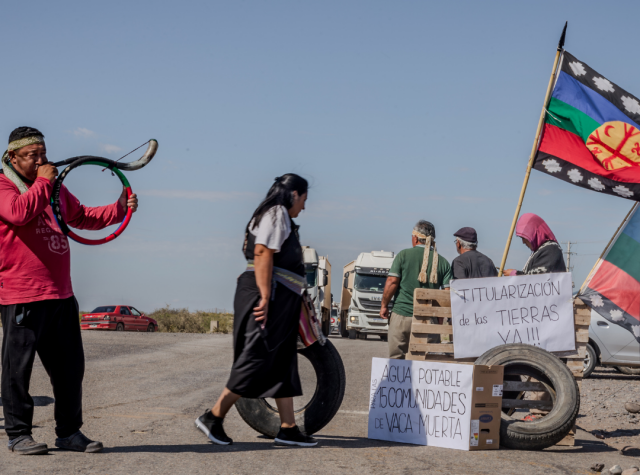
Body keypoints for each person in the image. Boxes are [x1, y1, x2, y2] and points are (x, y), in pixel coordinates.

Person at [0, 127, 139, 455]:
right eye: (32, 155)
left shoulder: (54, 189)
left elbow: (82, 217)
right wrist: (45, 182)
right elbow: (18, 213)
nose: (41, 160)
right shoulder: (4, 185)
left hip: (60, 294)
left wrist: (120, 207)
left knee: (70, 369)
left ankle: (69, 432)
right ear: (12, 158)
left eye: (43, 153)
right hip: (22, 294)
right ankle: (19, 434)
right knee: (17, 371)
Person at [195, 174, 317, 447]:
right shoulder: (276, 213)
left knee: (283, 360)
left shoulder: (277, 214)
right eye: (305, 200)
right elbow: (262, 252)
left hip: (278, 297)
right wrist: (265, 296)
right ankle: (213, 416)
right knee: (256, 357)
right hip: (267, 295)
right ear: (294, 194)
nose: (305, 207)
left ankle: (287, 428)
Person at [380, 220, 452, 359]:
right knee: (426, 362)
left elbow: (392, 281)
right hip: (428, 320)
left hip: (402, 316)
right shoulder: (443, 262)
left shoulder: (403, 255)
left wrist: (384, 305)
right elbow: (446, 295)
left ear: (415, 237)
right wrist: (438, 318)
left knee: (397, 361)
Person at [502, 213, 567, 276]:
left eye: (524, 238)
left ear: (534, 234)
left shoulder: (551, 250)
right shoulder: (541, 251)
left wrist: (515, 274)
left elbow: (538, 279)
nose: (523, 242)